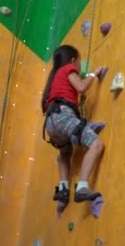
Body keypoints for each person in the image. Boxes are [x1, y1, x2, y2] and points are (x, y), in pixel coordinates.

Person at [41, 44, 105, 203]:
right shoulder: (68, 68)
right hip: (63, 116)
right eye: (79, 63)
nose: (78, 67)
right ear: (73, 60)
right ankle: (82, 186)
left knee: (65, 153)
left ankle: (63, 188)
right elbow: (81, 87)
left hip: (50, 124)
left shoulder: (54, 78)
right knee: (96, 144)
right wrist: (93, 73)